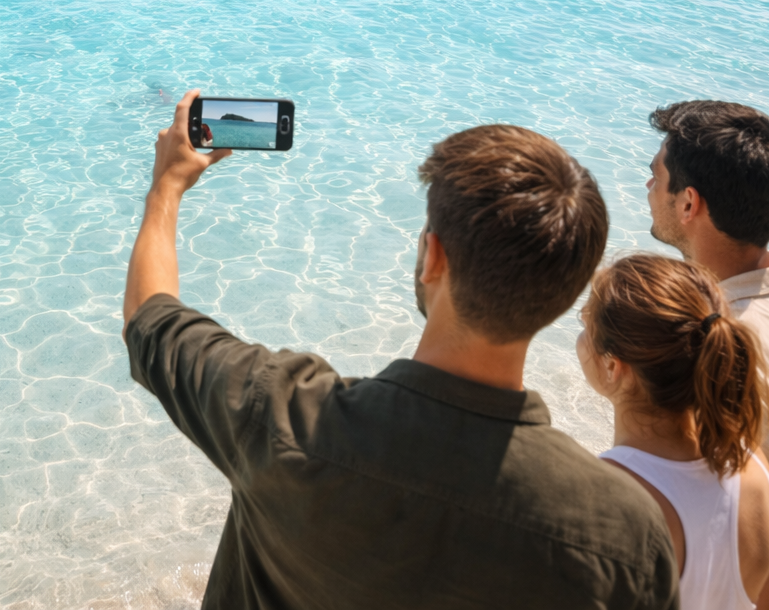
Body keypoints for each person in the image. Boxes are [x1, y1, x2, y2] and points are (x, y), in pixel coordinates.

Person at [122, 90, 679, 610]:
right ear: (563, 296)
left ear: (432, 257)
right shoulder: (625, 536)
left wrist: (166, 190)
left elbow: (151, 321)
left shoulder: (281, 414)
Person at [645, 101, 769, 610]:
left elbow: (728, 545)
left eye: (655, 176)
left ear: (689, 204)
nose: (647, 188)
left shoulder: (732, 349)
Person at [578, 253, 769, 610]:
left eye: (586, 325)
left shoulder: (605, 497)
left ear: (613, 366)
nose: (580, 338)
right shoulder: (752, 465)